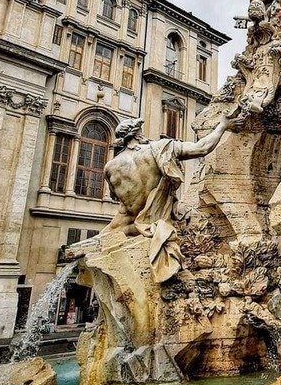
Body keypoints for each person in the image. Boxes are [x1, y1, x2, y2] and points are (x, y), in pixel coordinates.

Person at [98, 110, 236, 280]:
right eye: (141, 131)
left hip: (124, 228)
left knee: (98, 244)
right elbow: (202, 148)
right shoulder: (160, 148)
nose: (143, 134)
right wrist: (223, 125)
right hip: (158, 224)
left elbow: (117, 199)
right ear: (136, 134)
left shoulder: (110, 167)